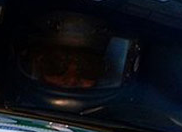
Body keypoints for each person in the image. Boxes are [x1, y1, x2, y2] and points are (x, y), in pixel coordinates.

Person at [9, 9, 139, 113]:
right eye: (55, 65)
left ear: (103, 71)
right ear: (35, 64)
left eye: (88, 68)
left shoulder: (125, 124)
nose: (71, 80)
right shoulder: (1, 106)